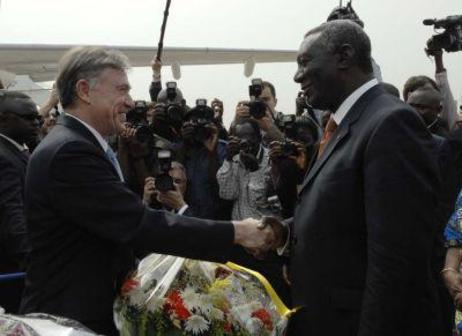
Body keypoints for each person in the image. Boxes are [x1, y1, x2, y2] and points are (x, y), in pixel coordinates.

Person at [20, 46, 277, 335]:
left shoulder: (79, 144)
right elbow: (138, 224)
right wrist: (238, 232)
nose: (130, 102)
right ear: (84, 90)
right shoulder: (70, 151)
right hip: (71, 320)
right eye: (121, 90)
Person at [269, 20, 442, 335]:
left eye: (305, 63)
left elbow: (394, 262)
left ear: (344, 56)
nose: (297, 76)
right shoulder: (341, 126)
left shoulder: (391, 123)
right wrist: (285, 232)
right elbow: (347, 216)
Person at [0, 91, 40, 313]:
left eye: (37, 118)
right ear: (3, 118)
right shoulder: (4, 158)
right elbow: (11, 214)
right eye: (27, 118)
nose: (35, 123)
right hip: (13, 268)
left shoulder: (17, 151)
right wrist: (34, 264)